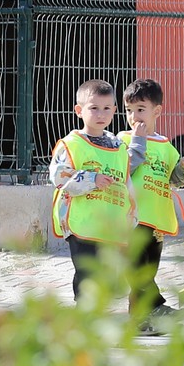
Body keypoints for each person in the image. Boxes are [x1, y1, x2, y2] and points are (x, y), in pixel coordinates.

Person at [49, 78, 135, 304]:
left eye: (107, 108)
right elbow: (59, 176)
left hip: (109, 223)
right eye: (94, 108)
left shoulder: (118, 146)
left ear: (115, 111)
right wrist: (91, 179)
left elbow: (126, 183)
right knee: (87, 271)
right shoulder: (72, 143)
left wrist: (130, 216)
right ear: (79, 110)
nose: (101, 114)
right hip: (81, 222)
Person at [123, 77, 184, 326]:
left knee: (148, 268)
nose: (134, 116)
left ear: (157, 111)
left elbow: (173, 179)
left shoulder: (166, 146)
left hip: (156, 220)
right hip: (133, 217)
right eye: (130, 110)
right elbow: (126, 168)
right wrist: (138, 141)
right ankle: (155, 307)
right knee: (137, 267)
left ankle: (141, 320)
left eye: (140, 110)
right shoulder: (123, 140)